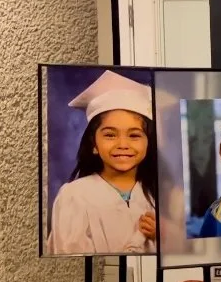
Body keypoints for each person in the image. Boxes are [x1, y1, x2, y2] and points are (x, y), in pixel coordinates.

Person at [48, 71, 157, 255]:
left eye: (134, 135)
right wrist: (138, 241)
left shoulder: (157, 195)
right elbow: (73, 261)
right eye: (110, 135)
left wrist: (161, 238)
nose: (123, 144)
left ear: (148, 143)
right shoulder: (75, 196)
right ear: (94, 145)